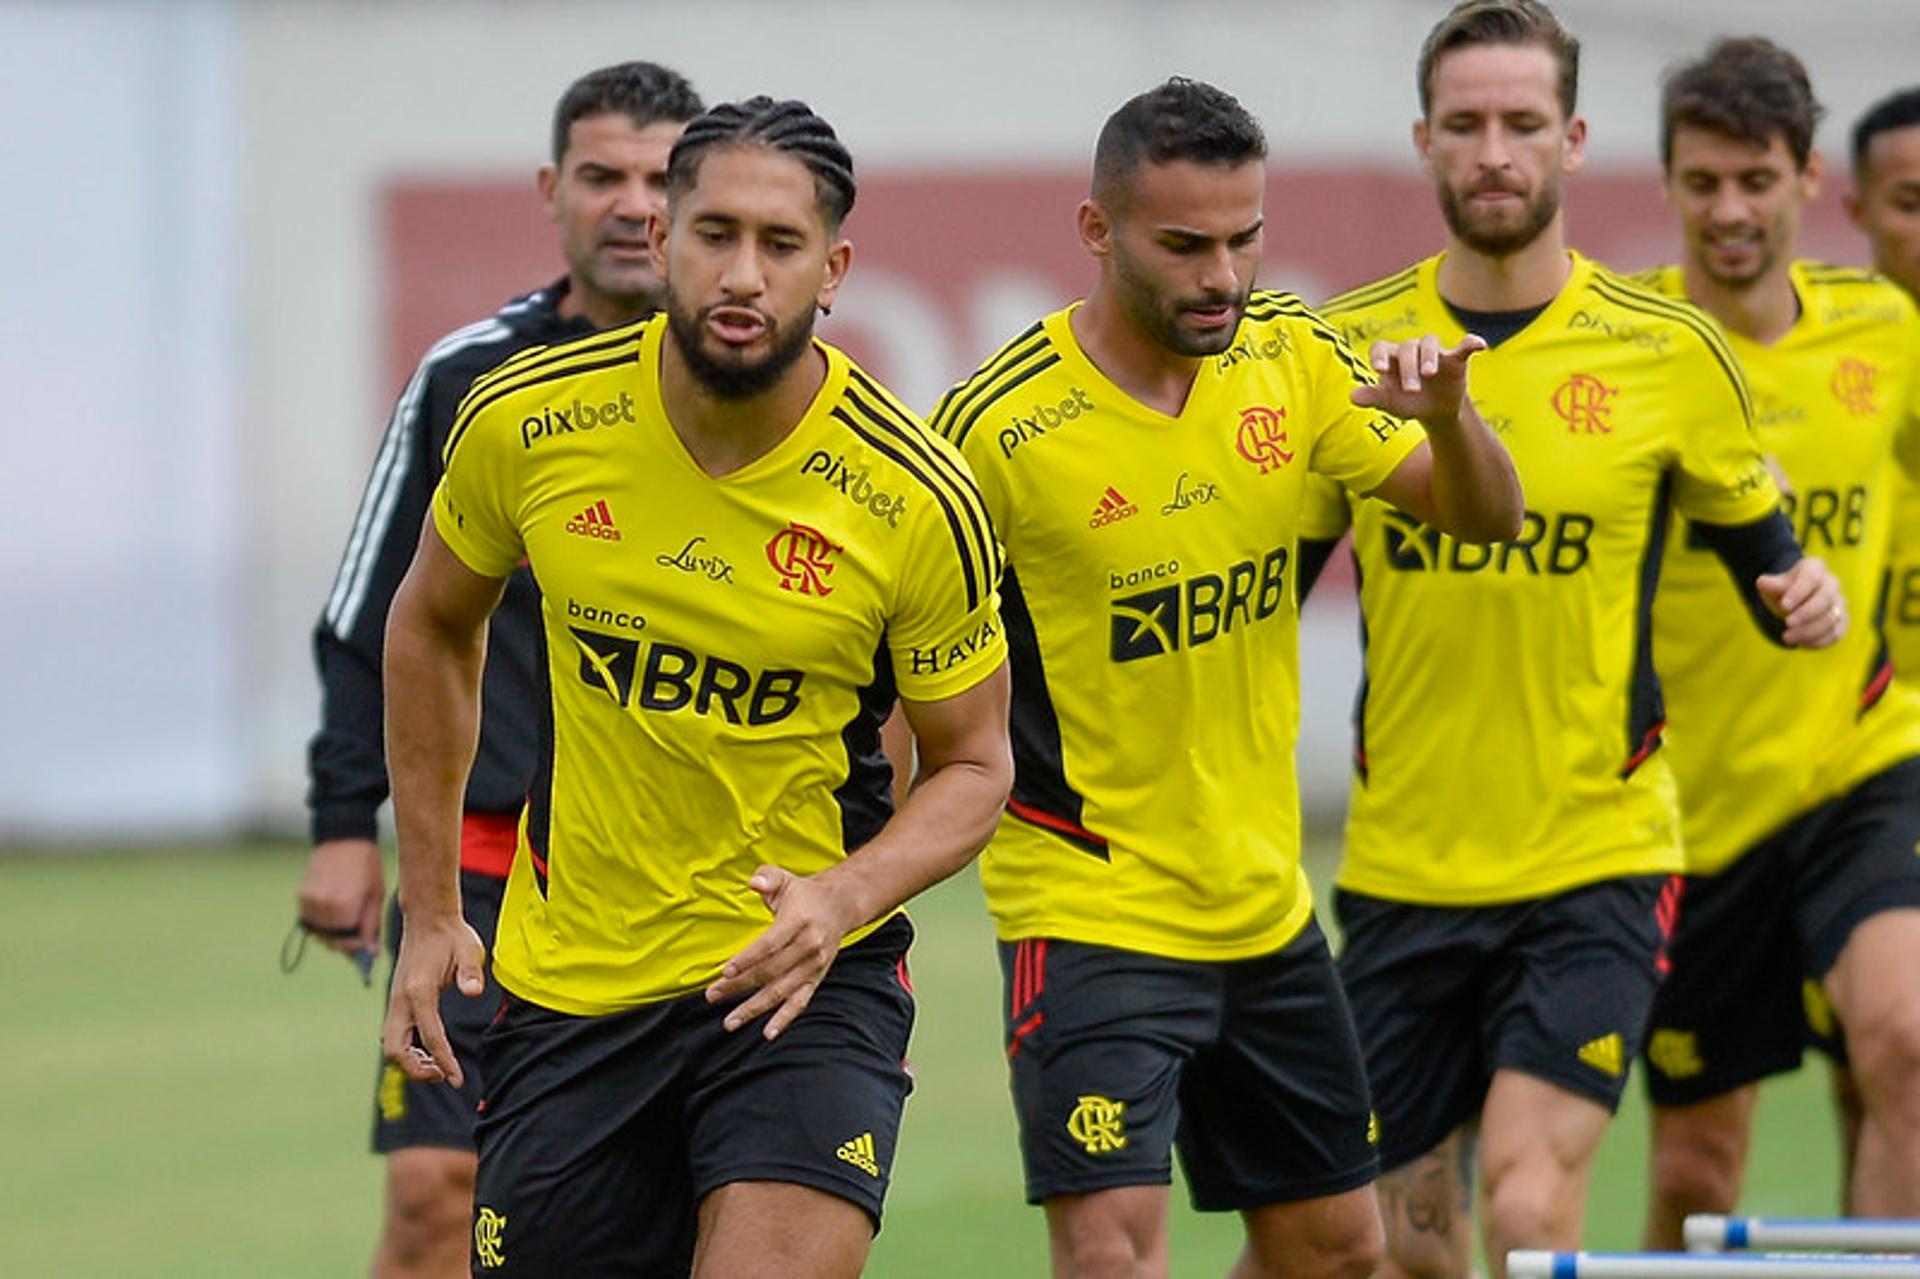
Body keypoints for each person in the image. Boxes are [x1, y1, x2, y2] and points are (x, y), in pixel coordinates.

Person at [379, 96, 1013, 1277]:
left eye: (780, 245)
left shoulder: (917, 496)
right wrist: (427, 911)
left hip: (797, 983)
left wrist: (842, 896)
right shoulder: (530, 423)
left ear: (835, 271)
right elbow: (429, 627)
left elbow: (977, 764)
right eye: (714, 233)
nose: (742, 272)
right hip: (575, 984)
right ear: (663, 240)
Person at [930, 77, 1524, 1279]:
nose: (1222, 275)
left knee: (1340, 1254)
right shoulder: (993, 431)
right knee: (1113, 1255)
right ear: (1099, 232)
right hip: (1089, 904)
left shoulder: (1295, 358)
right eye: (1186, 244)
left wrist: (1453, 420)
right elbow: (900, 668)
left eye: (1245, 237)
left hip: (1261, 904)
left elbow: (1486, 519)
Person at [1294, 5, 1844, 1276]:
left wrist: (1803, 591)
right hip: (1404, 870)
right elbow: (1261, 564)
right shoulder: (1344, 348)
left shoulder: (1667, 355)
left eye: (1523, 124)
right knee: (1401, 1246)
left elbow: (1768, 545)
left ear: (1575, 140)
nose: (1496, 151)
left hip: (1594, 859)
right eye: (1469, 124)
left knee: (1533, 1215)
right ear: (1424, 140)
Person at [296, 60, 702, 1278]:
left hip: (688, 882)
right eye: (602, 175)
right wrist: (339, 821)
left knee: (677, 1223)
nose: (634, 204)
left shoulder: (761, 395)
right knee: (433, 1198)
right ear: (551, 188)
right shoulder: (472, 375)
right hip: (481, 870)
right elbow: (377, 614)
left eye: (660, 177)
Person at [1634, 39, 1920, 1244]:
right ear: (1668, 183)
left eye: (1755, 179)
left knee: (1905, 1041)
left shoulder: (1887, 331)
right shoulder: (1628, 349)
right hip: (1689, 811)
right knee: (1702, 1169)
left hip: (1858, 761)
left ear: (1808, 178)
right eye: (1703, 182)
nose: (1730, 210)